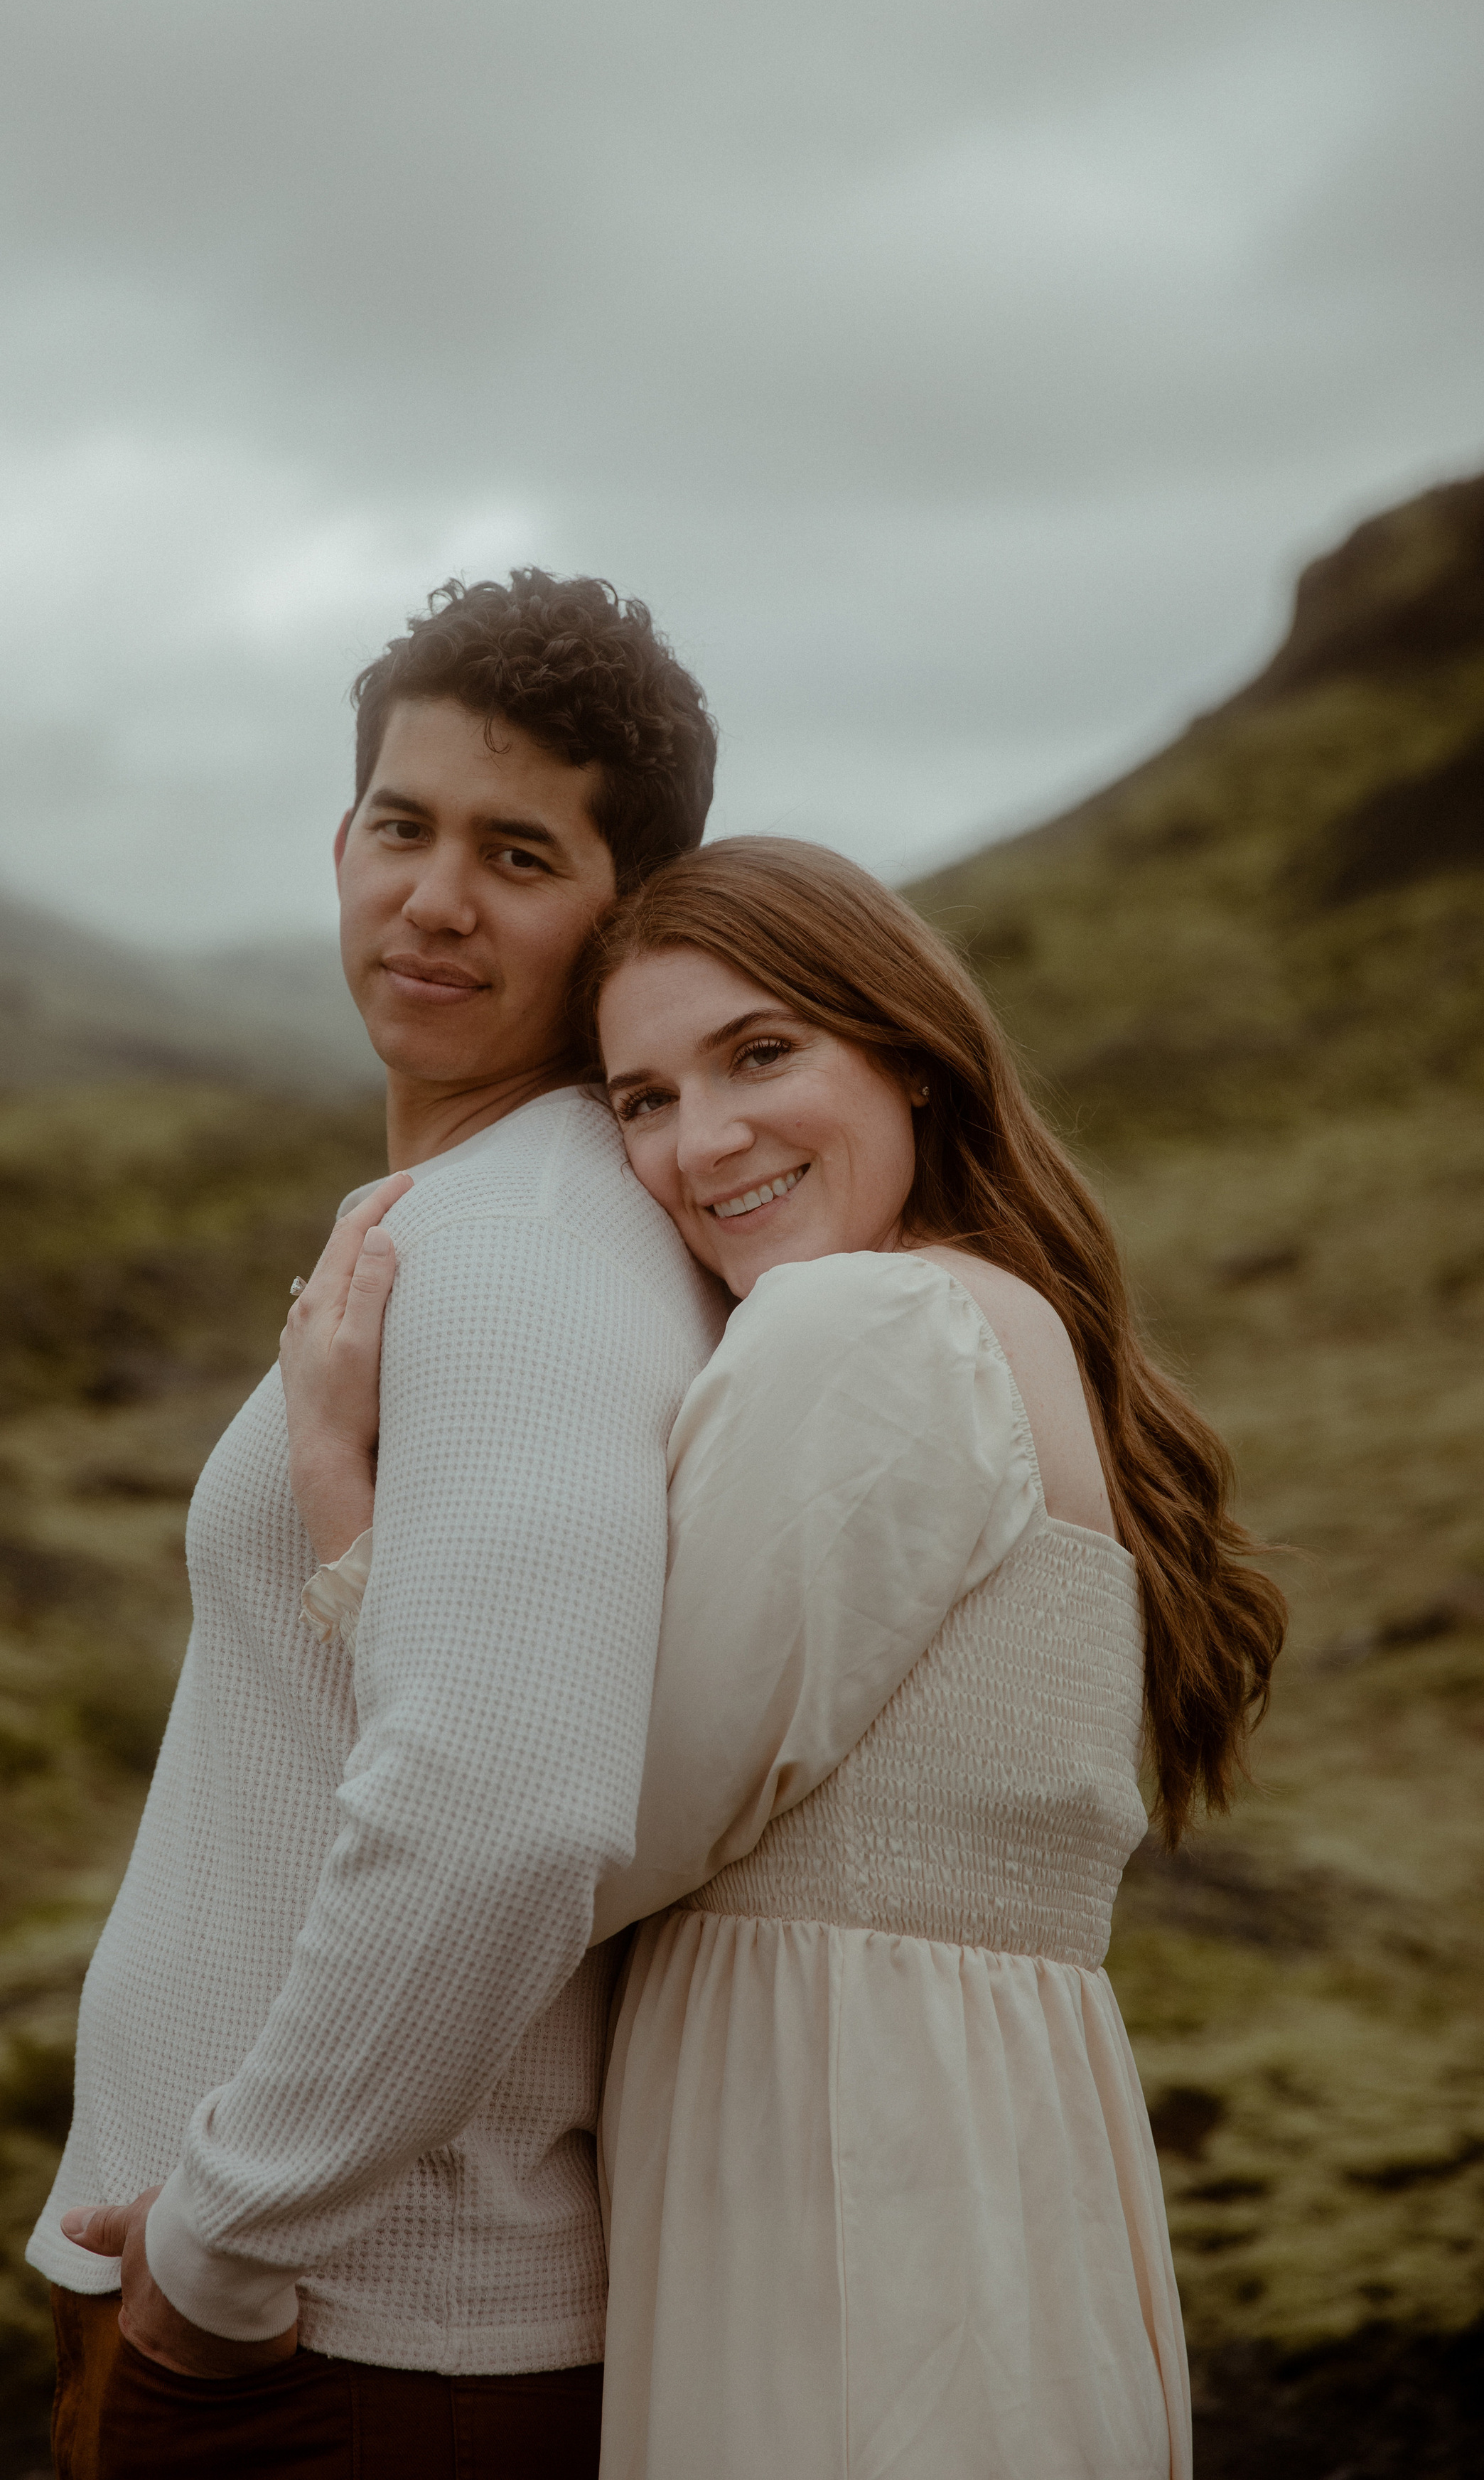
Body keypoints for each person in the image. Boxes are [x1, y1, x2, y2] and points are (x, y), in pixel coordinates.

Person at [286, 834, 1287, 2480]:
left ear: (902, 1048)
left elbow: (583, 1809)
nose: (705, 1140)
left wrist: (342, 1494)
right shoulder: (994, 1318)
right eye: (642, 1099)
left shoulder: (858, 1331)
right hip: (985, 2173)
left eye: (759, 1054)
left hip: (835, 2178)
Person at [27, 571, 724, 2480]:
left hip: (340, 2356)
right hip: (308, 2329)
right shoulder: (482, 1214)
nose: (433, 895)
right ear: (340, 838)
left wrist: (227, 2248)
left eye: (518, 851)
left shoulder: (519, 1252)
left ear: (622, 911)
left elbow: (509, 1803)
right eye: (401, 826)